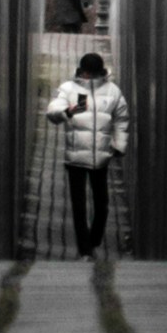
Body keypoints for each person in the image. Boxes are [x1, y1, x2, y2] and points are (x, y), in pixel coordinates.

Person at [47, 48, 127, 256]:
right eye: (86, 72)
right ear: (81, 70)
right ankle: (85, 249)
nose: (88, 76)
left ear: (100, 72)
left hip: (101, 157)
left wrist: (119, 145)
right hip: (75, 156)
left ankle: (94, 240)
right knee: (79, 205)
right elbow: (52, 111)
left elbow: (121, 119)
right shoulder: (69, 88)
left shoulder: (112, 91)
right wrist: (67, 112)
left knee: (102, 205)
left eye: (92, 73)